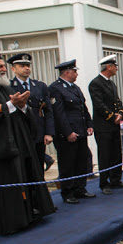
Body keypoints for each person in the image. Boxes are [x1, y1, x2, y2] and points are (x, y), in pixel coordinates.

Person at [0, 48, 55, 235]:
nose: (4, 70)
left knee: (25, 177)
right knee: (7, 186)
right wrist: (9, 105)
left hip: (18, 144)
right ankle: (11, 224)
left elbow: (17, 110)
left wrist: (22, 107)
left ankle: (30, 216)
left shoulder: (5, 86)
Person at [49, 59, 96, 204]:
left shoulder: (75, 88)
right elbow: (59, 114)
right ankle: (68, 192)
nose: (76, 74)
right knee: (68, 164)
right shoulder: (56, 88)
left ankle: (80, 188)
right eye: (75, 71)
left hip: (81, 132)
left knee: (82, 161)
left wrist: (89, 124)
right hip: (67, 135)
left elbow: (83, 108)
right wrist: (68, 132)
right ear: (67, 72)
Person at [88, 55, 123, 195]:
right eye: (115, 66)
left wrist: (120, 114)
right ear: (108, 67)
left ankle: (116, 180)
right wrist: (113, 117)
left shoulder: (111, 83)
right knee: (105, 155)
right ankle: (104, 183)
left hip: (114, 125)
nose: (116, 69)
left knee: (116, 153)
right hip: (103, 126)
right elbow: (99, 105)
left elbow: (117, 101)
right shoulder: (95, 83)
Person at [9, 53, 55, 172]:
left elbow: (48, 111)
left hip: (38, 133)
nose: (27, 68)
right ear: (13, 69)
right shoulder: (9, 87)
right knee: (24, 169)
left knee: (39, 167)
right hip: (20, 134)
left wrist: (49, 132)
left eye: (28, 65)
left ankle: (40, 190)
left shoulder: (40, 86)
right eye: (22, 66)